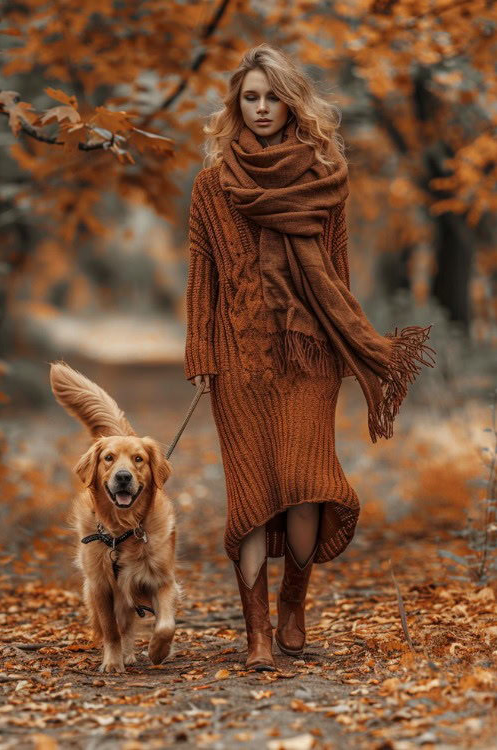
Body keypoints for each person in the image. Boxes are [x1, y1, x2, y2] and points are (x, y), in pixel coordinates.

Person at [184, 44, 436, 672]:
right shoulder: (213, 184)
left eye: (273, 96)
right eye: (251, 97)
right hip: (240, 357)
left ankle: (294, 600)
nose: (262, 108)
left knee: (304, 488)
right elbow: (201, 271)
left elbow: (339, 271)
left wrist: (349, 348)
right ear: (235, 104)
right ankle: (258, 635)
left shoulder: (323, 176)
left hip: (309, 355)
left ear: (292, 101)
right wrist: (201, 348)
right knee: (250, 496)